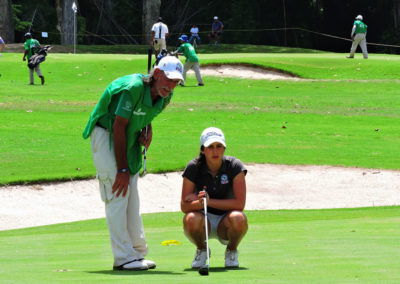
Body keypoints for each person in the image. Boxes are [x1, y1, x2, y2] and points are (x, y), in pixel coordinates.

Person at [82, 56, 184, 271]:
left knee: (132, 196)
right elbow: (118, 126)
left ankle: (136, 252)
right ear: (157, 74)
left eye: (176, 82)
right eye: (169, 79)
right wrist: (121, 169)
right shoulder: (133, 88)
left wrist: (147, 128)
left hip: (128, 135)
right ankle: (123, 257)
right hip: (106, 132)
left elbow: (145, 116)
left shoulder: (166, 96)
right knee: (118, 192)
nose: (172, 85)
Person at [181, 127, 248, 269]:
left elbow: (239, 204)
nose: (215, 151)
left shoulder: (235, 166)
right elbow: (184, 206)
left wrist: (209, 201)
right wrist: (199, 203)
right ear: (203, 150)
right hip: (203, 219)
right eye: (210, 147)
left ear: (224, 148)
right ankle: (202, 249)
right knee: (190, 219)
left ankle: (231, 250)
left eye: (219, 146)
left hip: (226, 221)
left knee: (239, 218)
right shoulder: (193, 167)